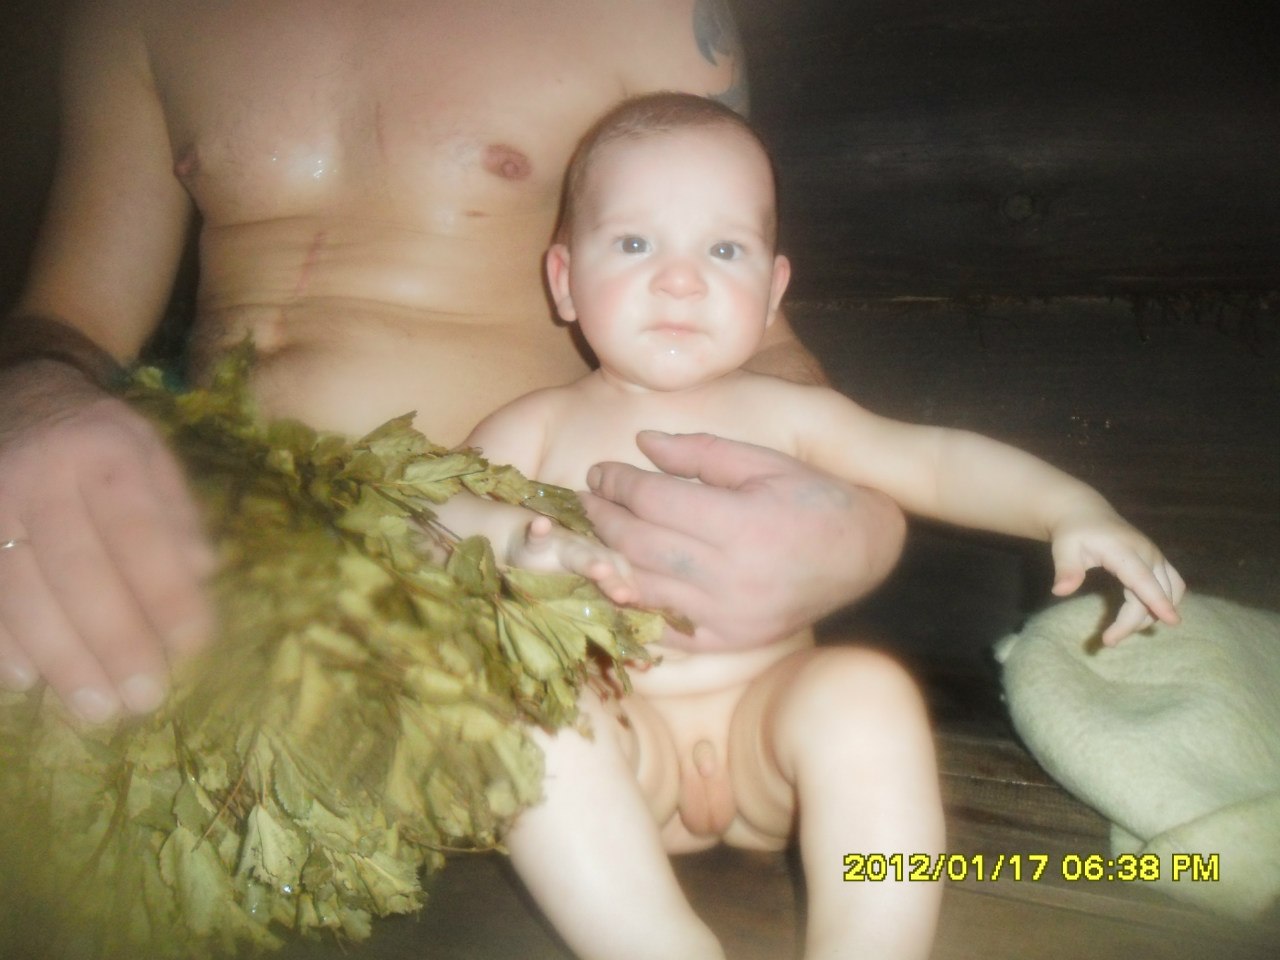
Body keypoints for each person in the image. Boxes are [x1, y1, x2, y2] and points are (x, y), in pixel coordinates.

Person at [0, 0, 908, 726]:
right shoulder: (128, 14)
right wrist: (33, 398)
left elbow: (742, 322)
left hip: (499, 582)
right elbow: (70, 317)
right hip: (217, 559)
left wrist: (851, 523)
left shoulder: (647, 12)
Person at [451, 92, 1187, 960]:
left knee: (865, 689)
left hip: (770, 743)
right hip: (623, 750)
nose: (681, 279)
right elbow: (433, 514)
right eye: (636, 244)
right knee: (523, 710)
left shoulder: (790, 414)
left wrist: (1071, 508)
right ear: (565, 280)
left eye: (724, 249)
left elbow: (933, 461)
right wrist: (519, 548)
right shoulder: (534, 425)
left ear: (771, 292)